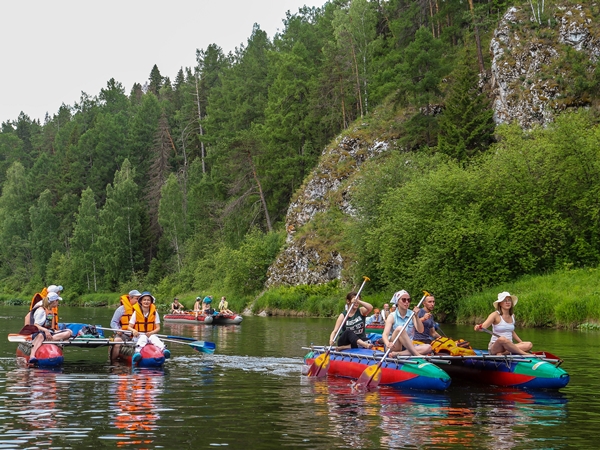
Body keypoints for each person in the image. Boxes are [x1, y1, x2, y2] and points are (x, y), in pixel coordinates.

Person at [382, 290, 431, 357]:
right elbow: (385, 334)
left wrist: (416, 316)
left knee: (428, 347)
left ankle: (399, 354)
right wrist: (387, 343)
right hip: (394, 346)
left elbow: (420, 330)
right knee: (400, 329)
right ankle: (416, 354)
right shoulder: (392, 316)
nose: (407, 302)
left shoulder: (412, 314)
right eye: (404, 300)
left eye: (409, 300)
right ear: (397, 302)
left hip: (407, 347)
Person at [27, 292, 73, 363]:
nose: (58, 303)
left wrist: (53, 331)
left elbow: (49, 326)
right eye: (57, 301)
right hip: (38, 333)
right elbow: (36, 325)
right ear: (54, 301)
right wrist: (45, 330)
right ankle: (32, 355)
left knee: (69, 332)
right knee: (41, 335)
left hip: (47, 333)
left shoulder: (49, 310)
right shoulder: (41, 311)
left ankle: (48, 340)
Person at [128, 292, 170, 362]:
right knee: (143, 338)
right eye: (144, 300)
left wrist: (152, 332)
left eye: (148, 300)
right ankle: (137, 352)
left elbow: (158, 328)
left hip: (150, 334)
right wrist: (134, 331)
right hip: (139, 335)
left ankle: (164, 350)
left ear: (151, 302)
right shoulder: (136, 313)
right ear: (141, 301)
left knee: (154, 338)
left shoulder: (154, 312)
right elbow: (129, 327)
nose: (146, 302)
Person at [109, 290, 141, 361]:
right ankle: (113, 362)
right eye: (137, 298)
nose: (139, 301)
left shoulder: (141, 309)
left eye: (139, 298)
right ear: (130, 298)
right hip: (124, 334)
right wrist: (117, 330)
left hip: (138, 335)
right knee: (117, 340)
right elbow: (113, 322)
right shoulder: (121, 309)